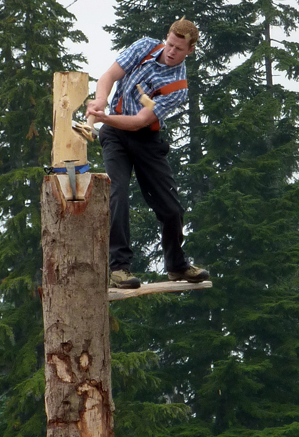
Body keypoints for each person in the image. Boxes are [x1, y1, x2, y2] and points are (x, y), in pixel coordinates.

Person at [87, 18, 210, 290]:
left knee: (171, 208)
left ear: (190, 51)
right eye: (169, 44)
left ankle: (177, 266)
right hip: (115, 136)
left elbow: (140, 122)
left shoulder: (178, 88)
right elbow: (108, 77)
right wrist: (100, 101)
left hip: (146, 139)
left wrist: (103, 118)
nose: (171, 52)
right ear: (165, 37)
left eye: (179, 49)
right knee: (116, 193)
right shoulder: (143, 46)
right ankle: (119, 269)